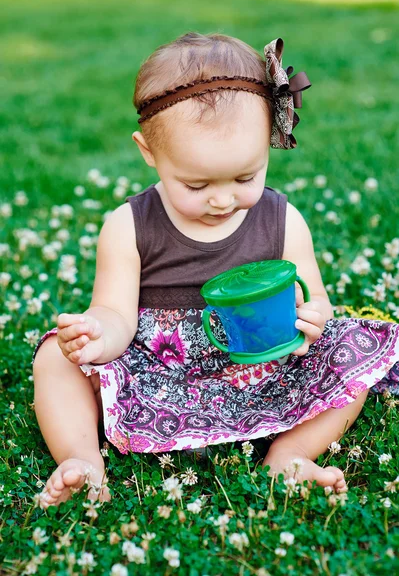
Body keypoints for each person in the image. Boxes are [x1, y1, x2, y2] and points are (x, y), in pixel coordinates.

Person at [32, 32, 399, 509]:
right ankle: (81, 460)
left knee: (355, 350)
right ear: (149, 152)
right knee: (55, 359)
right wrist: (99, 335)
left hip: (261, 366)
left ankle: (289, 455)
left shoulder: (283, 220)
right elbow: (114, 311)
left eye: (247, 177)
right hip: (162, 375)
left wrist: (314, 320)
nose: (223, 199)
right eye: (197, 183)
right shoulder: (128, 226)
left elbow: (317, 299)